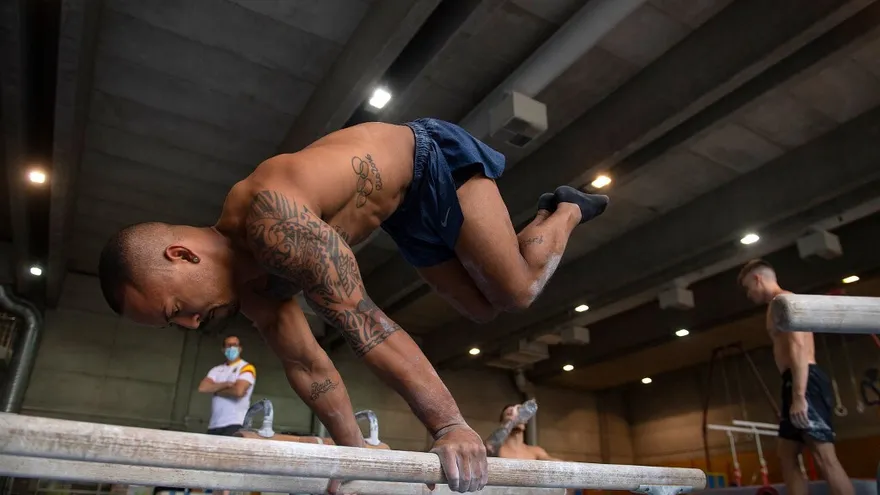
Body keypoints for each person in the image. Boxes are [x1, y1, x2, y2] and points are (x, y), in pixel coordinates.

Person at [96, 118, 608, 493]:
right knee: (481, 309)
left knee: (515, 292)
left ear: (181, 255)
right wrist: (353, 455)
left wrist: (449, 425)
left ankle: (565, 208)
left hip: (429, 158)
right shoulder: (254, 291)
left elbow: (368, 325)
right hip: (399, 213)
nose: (191, 323)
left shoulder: (272, 222)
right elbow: (307, 364)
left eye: (175, 310)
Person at [737, 259, 853, 495]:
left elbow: (798, 345)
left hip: (805, 381)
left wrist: (799, 395)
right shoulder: (776, 305)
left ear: (758, 279)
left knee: (824, 457)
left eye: (748, 288)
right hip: (794, 381)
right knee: (786, 455)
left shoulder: (784, 301)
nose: (749, 295)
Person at [197, 335, 257, 436]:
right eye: (228, 345)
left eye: (235, 345)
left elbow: (238, 392)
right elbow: (202, 388)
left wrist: (215, 390)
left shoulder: (246, 367)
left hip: (235, 423)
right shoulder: (216, 370)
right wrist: (226, 384)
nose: (232, 348)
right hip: (214, 425)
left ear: (240, 348)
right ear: (223, 349)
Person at [485, 400, 559, 460]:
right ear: (502, 422)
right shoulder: (496, 449)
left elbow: (556, 464)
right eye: (509, 414)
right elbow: (488, 447)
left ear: (525, 421)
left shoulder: (535, 451)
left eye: (520, 414)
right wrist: (510, 423)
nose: (516, 417)